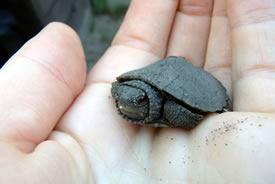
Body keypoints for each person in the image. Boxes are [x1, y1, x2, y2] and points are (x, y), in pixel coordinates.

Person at [0, 0, 275, 183]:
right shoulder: (123, 90)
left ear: (148, 100)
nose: (129, 103)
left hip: (193, 87)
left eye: (140, 101)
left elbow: (183, 112)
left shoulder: (167, 106)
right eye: (123, 97)